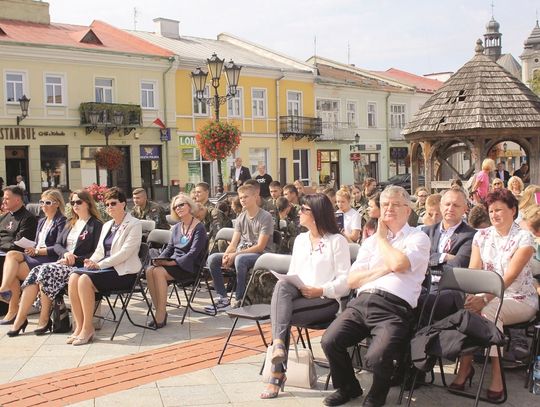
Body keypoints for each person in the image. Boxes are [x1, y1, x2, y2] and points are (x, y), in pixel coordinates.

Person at [321, 186, 430, 406]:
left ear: (408, 210)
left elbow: (399, 263)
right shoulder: (369, 242)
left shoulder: (417, 237)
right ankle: (348, 387)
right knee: (330, 341)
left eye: (395, 204)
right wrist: (384, 269)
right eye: (385, 204)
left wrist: (382, 239)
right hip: (362, 302)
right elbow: (352, 280)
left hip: (394, 307)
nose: (388, 208)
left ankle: (376, 396)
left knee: (376, 357)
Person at [451, 189, 538, 402]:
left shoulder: (524, 238)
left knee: (489, 311)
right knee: (470, 309)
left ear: (513, 210)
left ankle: (492, 374)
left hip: (520, 298)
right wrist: (471, 296)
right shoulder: (481, 236)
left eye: (499, 210)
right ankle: (467, 366)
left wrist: (484, 299)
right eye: (490, 210)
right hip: (488, 296)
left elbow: (509, 277)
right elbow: (474, 271)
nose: (494, 214)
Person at [261, 194, 351, 399]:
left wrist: (321, 290)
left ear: (317, 214)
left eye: (303, 209)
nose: (298, 212)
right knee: (282, 285)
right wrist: (295, 283)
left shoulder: (337, 241)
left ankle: (277, 372)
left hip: (325, 300)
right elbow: (294, 272)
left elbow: (346, 282)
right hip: (299, 294)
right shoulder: (301, 240)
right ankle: (279, 346)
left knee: (280, 315)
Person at [7, 190, 103, 336]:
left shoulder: (95, 225)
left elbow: (97, 251)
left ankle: (44, 319)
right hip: (63, 262)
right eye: (72, 202)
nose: (75, 205)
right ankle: (20, 319)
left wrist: (74, 258)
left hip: (79, 266)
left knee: (44, 271)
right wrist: (65, 253)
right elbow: (58, 244)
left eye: (79, 202)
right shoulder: (72, 222)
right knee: (36, 272)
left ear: (88, 203)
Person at [68, 187, 142, 346]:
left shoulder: (134, 224)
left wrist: (99, 265)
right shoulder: (108, 225)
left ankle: (88, 328)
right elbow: (100, 250)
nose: (109, 207)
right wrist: (90, 262)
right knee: (74, 276)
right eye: (107, 204)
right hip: (106, 269)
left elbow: (125, 253)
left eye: (113, 203)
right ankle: (79, 326)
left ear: (123, 204)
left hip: (124, 273)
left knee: (84, 280)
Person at [0, 190, 66, 325]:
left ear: (57, 204)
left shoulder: (61, 221)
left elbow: (59, 247)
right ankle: (5, 291)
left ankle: (13, 310)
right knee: (11, 256)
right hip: (35, 255)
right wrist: (32, 248)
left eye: (48, 202)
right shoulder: (41, 221)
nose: (43, 205)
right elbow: (37, 242)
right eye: (42, 202)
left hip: (49, 258)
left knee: (13, 272)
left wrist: (38, 251)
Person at [205, 185, 274, 311]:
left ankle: (240, 299)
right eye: (241, 197)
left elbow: (260, 246)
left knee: (240, 259)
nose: (242, 200)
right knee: (213, 259)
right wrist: (227, 254)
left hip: (262, 255)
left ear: (255, 197)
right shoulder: (241, 217)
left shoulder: (265, 217)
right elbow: (234, 242)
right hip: (242, 252)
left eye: (246, 197)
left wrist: (235, 255)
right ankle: (223, 298)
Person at [145, 194, 207, 328]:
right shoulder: (177, 227)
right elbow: (170, 248)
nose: (178, 208)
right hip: (173, 262)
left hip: (189, 266)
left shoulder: (199, 228)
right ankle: (160, 310)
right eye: (175, 206)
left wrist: (172, 263)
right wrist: (160, 259)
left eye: (181, 204)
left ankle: (161, 314)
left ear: (189, 206)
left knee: (159, 273)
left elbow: (193, 254)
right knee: (150, 270)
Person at [421, 187, 477, 321]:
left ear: (465, 209)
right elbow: (417, 259)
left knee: (421, 302)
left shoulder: (471, 235)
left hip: (449, 289)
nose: (450, 208)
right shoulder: (425, 232)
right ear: (440, 206)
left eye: (456, 205)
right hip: (423, 284)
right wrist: (443, 257)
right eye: (447, 204)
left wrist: (429, 261)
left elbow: (458, 265)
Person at [0, 186, 37, 321]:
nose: (3, 201)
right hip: (3, 252)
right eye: (3, 198)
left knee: (9, 264)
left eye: (7, 198)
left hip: (17, 254)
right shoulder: (3, 217)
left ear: (17, 200)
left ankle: (10, 306)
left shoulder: (28, 218)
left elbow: (18, 243)